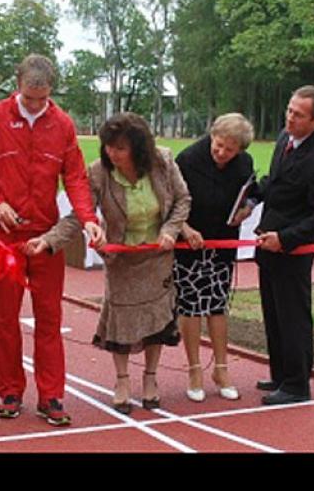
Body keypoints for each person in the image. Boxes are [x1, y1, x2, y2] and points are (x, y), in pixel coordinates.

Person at [0, 54, 103, 427]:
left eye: (42, 99)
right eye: (29, 98)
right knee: (5, 317)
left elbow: (75, 176)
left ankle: (51, 396)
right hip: (3, 235)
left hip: (46, 236)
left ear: (51, 91)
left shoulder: (63, 124)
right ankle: (10, 391)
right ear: (18, 85)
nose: (35, 105)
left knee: (49, 318)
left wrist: (88, 220)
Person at [28, 112, 190, 414]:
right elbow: (80, 215)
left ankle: (150, 378)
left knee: (157, 320)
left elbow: (183, 200)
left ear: (139, 149)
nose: (111, 153)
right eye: (108, 146)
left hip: (158, 258)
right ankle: (122, 380)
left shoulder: (163, 161)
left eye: (120, 148)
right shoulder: (99, 172)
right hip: (122, 260)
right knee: (121, 322)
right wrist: (48, 240)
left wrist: (170, 230)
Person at [251, 85, 314, 406]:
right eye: (289, 110)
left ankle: (297, 384)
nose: (290, 118)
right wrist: (251, 198)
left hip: (292, 252)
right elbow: (274, 183)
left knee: (293, 317)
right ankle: (281, 373)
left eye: (299, 115)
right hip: (267, 247)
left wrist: (285, 239)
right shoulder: (283, 140)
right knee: (273, 314)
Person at [173, 113, 255, 403]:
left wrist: (247, 207)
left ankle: (222, 369)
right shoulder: (188, 159)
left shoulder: (244, 164)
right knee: (191, 306)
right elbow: (170, 201)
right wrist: (185, 228)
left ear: (240, 151)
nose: (221, 153)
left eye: (229, 150)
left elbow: (251, 193)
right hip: (190, 245)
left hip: (222, 243)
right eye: (218, 145)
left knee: (218, 306)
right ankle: (194, 370)